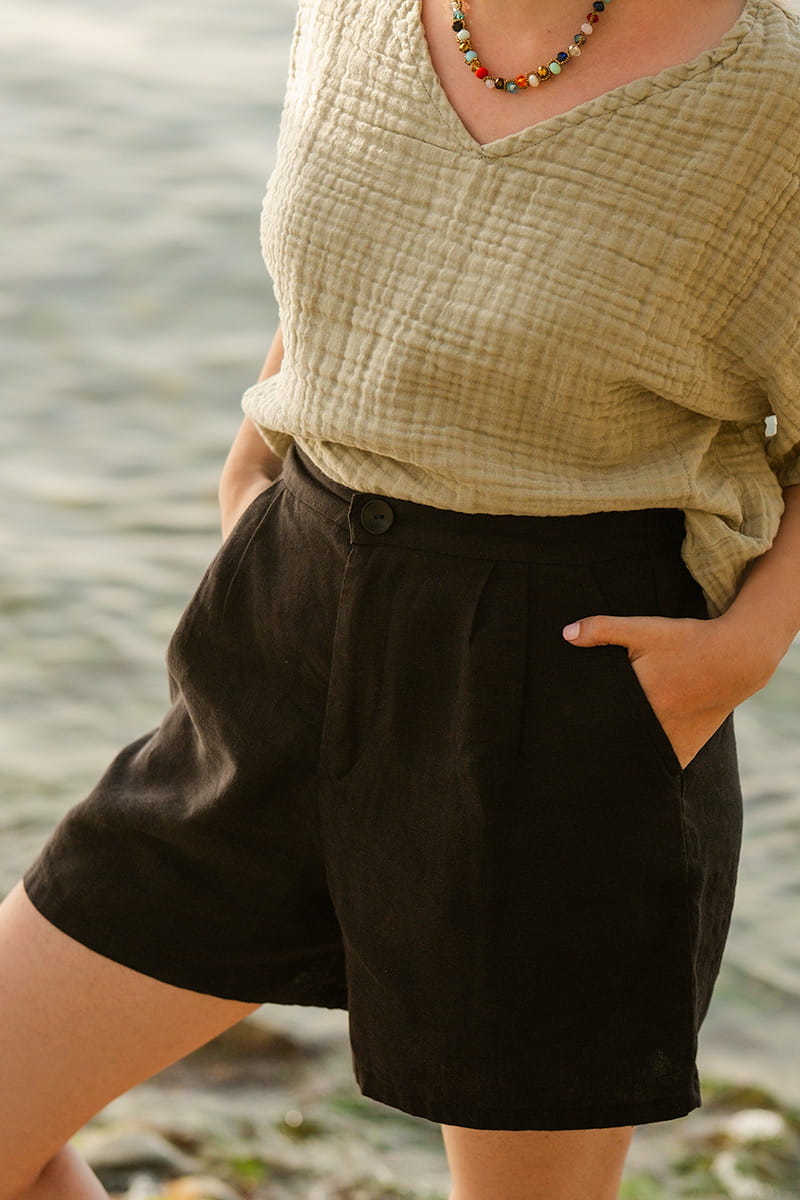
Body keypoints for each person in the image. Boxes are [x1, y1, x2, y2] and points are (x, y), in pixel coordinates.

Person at [2, 0, 799, 1196]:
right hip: (285, 622)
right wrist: (259, 438)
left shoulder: (767, 97)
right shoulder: (356, 8)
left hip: (560, 676)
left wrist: (743, 643)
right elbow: (359, 232)